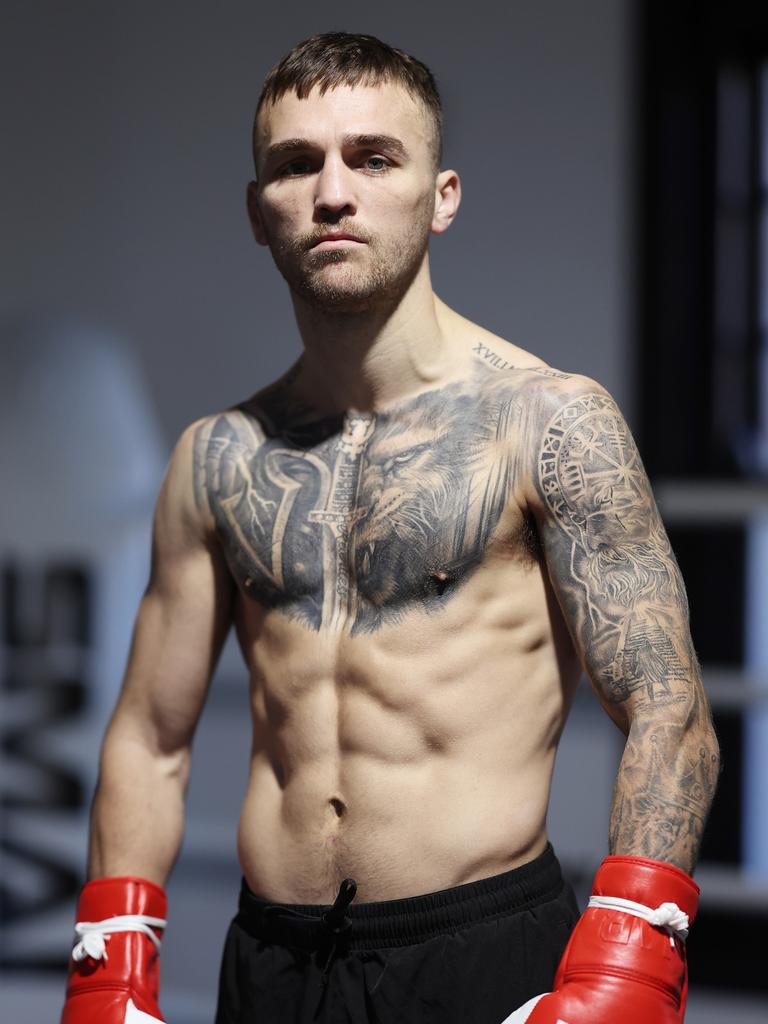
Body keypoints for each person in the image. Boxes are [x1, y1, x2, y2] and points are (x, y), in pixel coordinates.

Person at [61, 31, 720, 1024]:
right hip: (273, 963)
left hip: (482, 952)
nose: (333, 192)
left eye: (373, 158)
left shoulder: (550, 423)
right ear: (258, 210)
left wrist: (626, 957)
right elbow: (151, 740)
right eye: (297, 164)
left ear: (441, 195)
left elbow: (670, 711)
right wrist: (113, 964)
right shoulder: (218, 457)